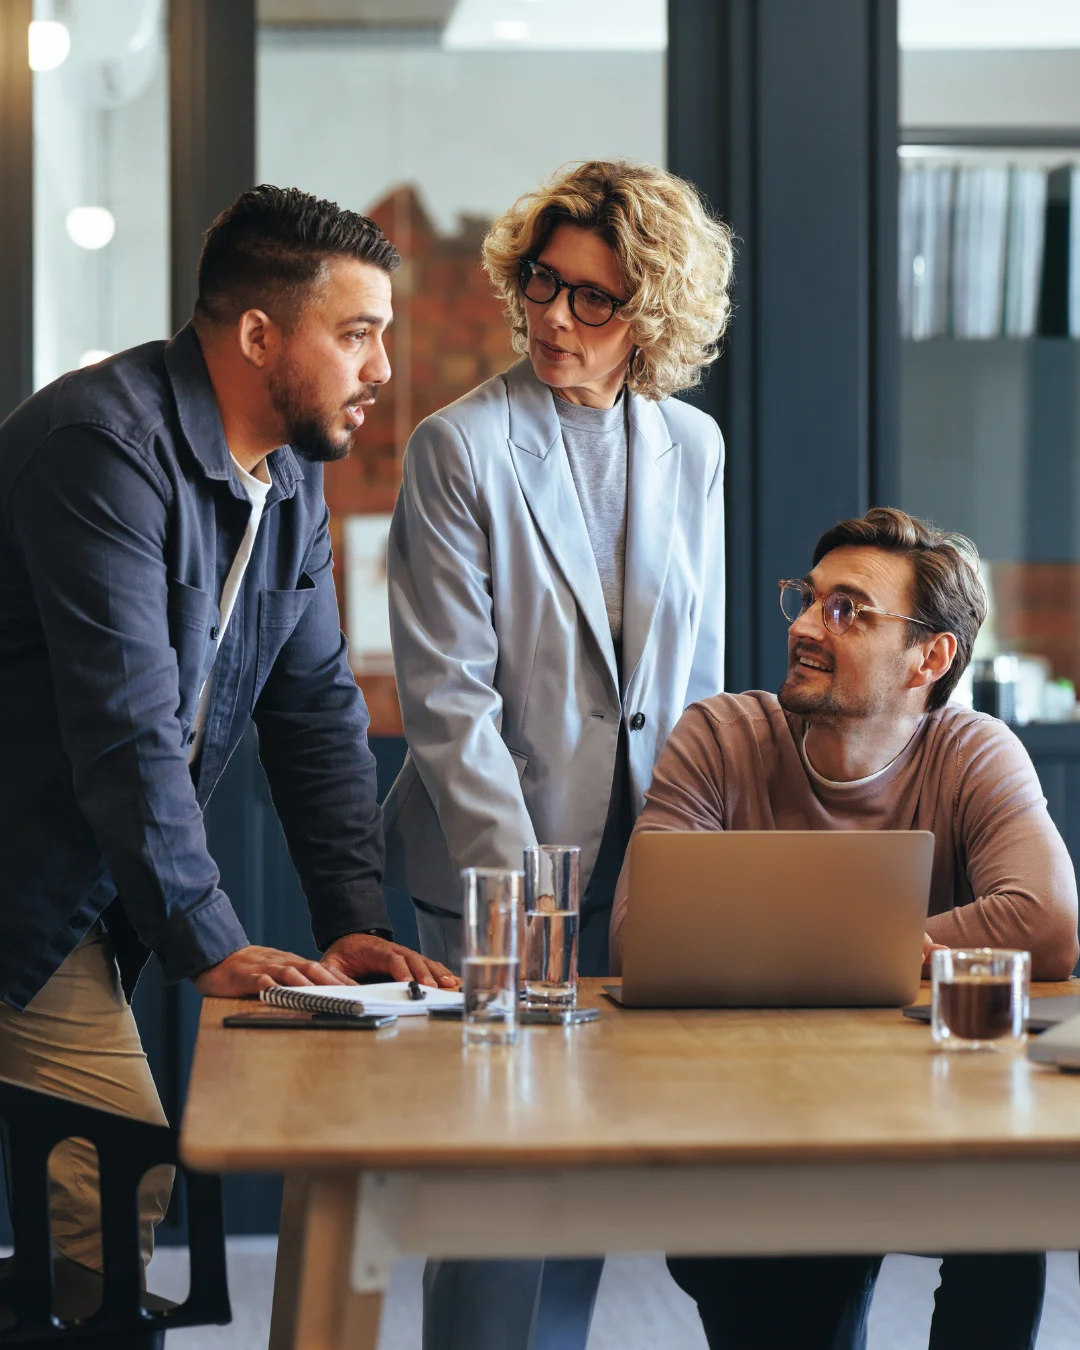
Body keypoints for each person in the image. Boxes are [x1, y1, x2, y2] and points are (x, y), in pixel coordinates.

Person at [0, 185, 456, 1293]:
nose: (382, 369)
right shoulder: (100, 448)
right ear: (260, 336)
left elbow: (316, 718)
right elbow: (127, 726)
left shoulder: (285, 485)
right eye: (356, 334)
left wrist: (351, 928)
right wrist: (210, 939)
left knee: (108, 1198)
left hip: (81, 880)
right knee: (107, 1193)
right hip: (22, 876)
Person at [383, 160, 733, 1350]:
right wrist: (524, 906)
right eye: (544, 284)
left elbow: (695, 676)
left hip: (641, 866)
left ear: (657, 318)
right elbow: (446, 703)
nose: (557, 320)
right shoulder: (458, 449)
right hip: (495, 871)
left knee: (579, 1176)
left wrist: (690, 860)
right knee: (496, 1193)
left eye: (597, 300)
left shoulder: (693, 445)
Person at [611, 506, 1078, 1350]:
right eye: (808, 598)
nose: (804, 626)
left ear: (929, 658)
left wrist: (838, 948)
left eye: (848, 611)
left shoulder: (973, 750)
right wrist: (905, 951)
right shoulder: (719, 737)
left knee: (1008, 1226)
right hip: (757, 1119)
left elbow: (1046, 922)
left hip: (933, 1112)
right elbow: (643, 933)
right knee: (781, 1279)